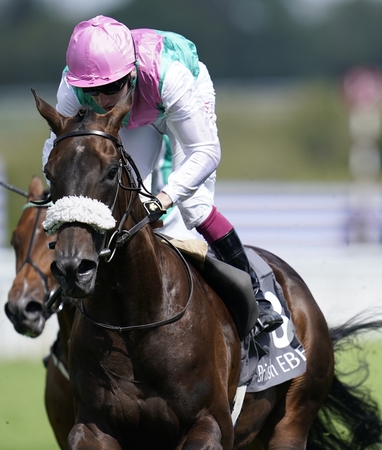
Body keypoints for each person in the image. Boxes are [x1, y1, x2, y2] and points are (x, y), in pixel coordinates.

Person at [40, 15, 282, 336]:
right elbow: (55, 149)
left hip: (176, 102)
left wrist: (166, 197)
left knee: (194, 205)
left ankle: (256, 294)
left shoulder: (169, 75)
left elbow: (206, 151)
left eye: (111, 87)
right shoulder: (72, 88)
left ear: (131, 72)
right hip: (134, 116)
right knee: (122, 199)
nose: (102, 100)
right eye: (92, 90)